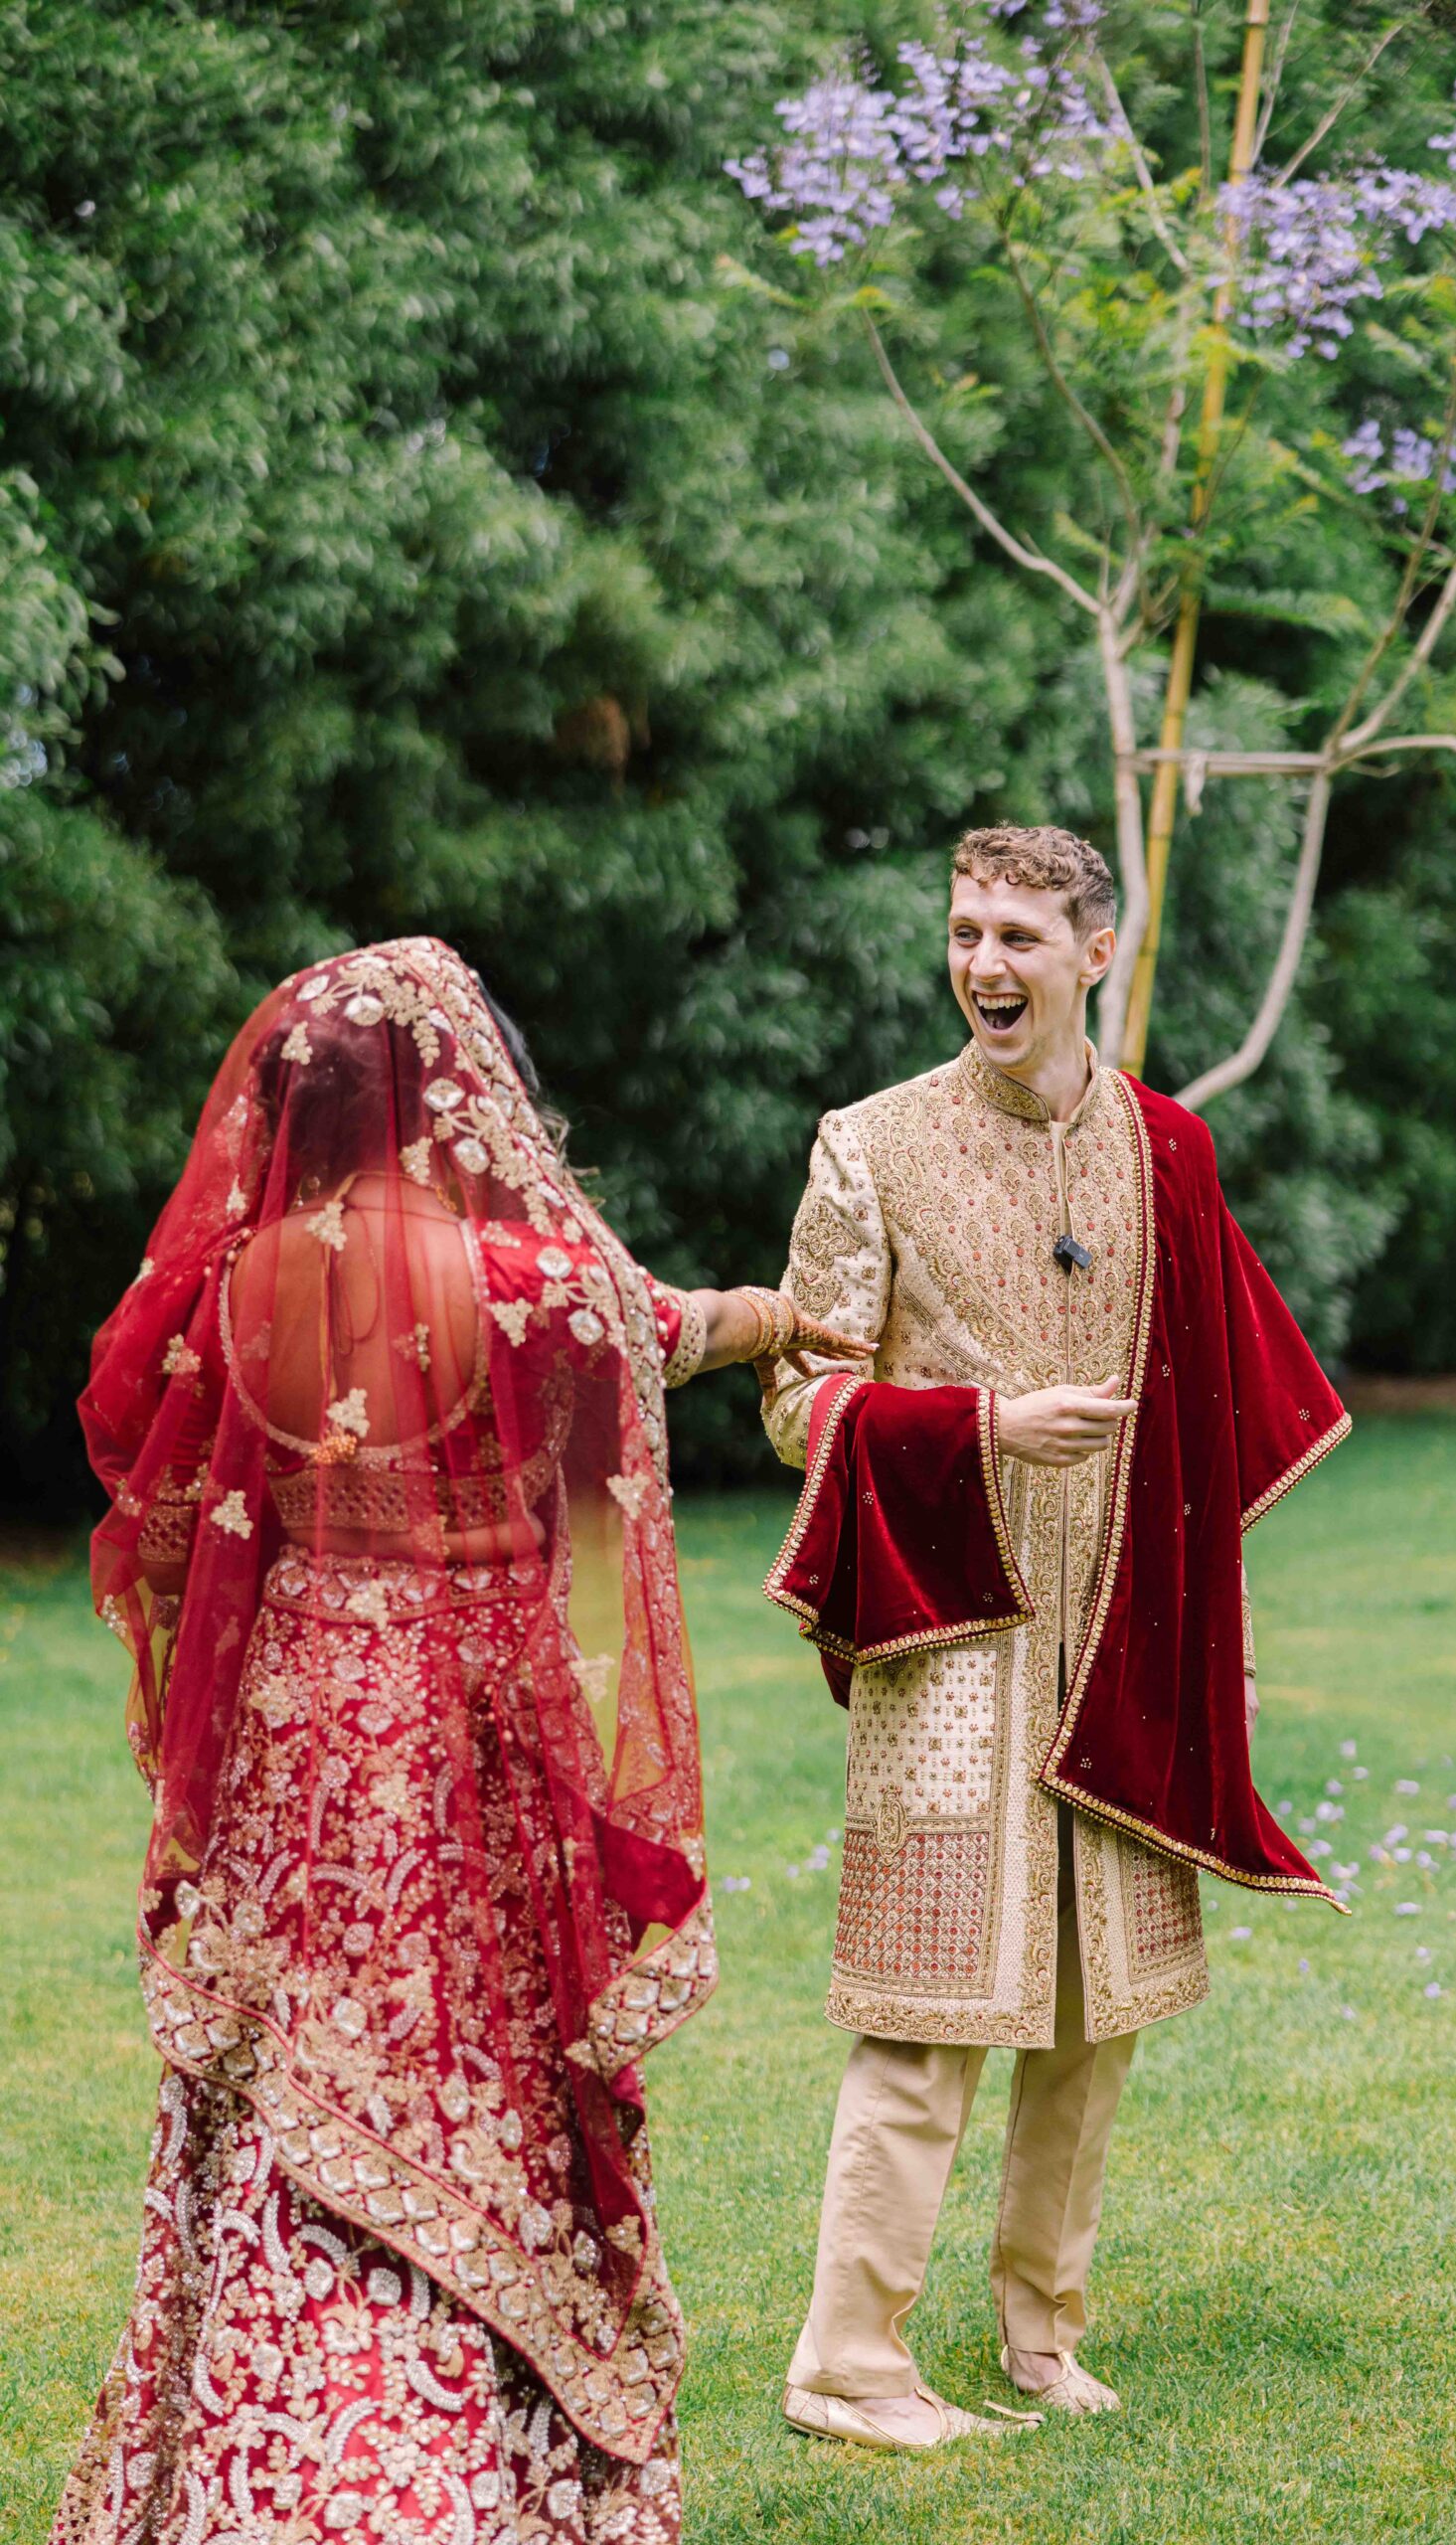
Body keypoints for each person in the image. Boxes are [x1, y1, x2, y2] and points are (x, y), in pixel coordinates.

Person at [55, 936, 865, 2543]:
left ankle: (251, 2443)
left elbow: (162, 1479)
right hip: (462, 1715)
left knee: (287, 2049)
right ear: (448, 1086)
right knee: (473, 2049)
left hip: (297, 1712)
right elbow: (667, 1330)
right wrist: (787, 1313)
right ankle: (433, 2459)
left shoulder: (238, 1276)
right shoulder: (525, 1278)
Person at [760, 826, 1351, 2452]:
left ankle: (1041, 2330)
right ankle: (847, 2363)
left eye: (1019, 935)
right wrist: (982, 1425)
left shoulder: (1172, 1151)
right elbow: (798, 1397)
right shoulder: (870, 1145)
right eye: (965, 931)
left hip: (1133, 1620)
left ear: (1095, 952)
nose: (983, 964)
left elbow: (1213, 1416)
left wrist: (1216, 1640)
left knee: (1097, 2015)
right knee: (926, 2010)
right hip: (957, 1625)